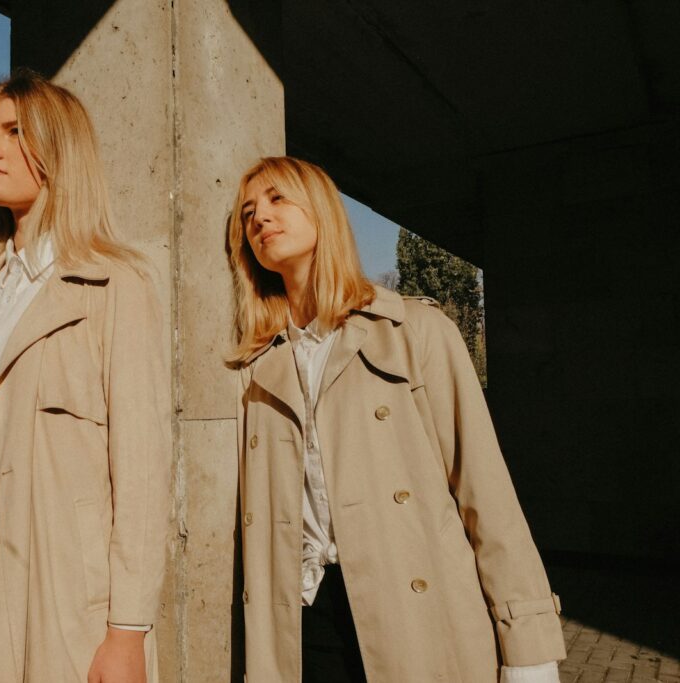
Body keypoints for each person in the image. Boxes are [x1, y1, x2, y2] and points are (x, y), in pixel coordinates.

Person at [228, 156, 566, 682]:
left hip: (416, 619)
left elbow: (485, 492)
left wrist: (529, 646)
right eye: (248, 212)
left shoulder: (416, 331)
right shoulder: (255, 366)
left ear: (321, 210)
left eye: (277, 199)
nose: (260, 219)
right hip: (303, 626)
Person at [0, 69, 171, 683]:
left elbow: (144, 476)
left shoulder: (115, 285)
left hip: (61, 574)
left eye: (13, 131)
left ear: (58, 148)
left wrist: (127, 630)